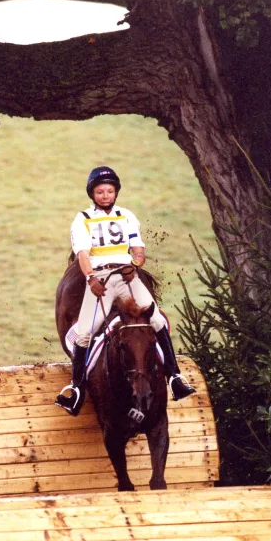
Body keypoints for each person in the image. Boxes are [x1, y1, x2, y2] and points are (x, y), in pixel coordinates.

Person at [56, 166, 195, 416]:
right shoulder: (83, 219)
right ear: (92, 194)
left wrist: (135, 265)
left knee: (157, 320)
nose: (106, 196)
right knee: (85, 332)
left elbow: (138, 250)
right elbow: (83, 255)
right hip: (101, 278)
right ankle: (76, 390)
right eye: (100, 192)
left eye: (110, 191)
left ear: (116, 192)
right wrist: (90, 278)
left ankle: (175, 377)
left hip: (126, 276)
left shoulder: (127, 216)